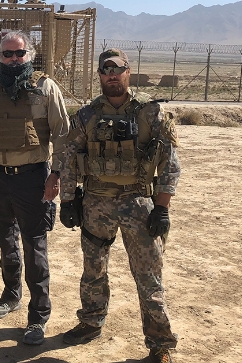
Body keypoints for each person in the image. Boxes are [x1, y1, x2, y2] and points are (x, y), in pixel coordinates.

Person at [59, 48, 180, 363]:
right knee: (93, 269)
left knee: (147, 273)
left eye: (118, 69)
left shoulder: (151, 113)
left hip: (137, 203)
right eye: (105, 69)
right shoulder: (86, 115)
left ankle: (160, 345)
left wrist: (162, 208)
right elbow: (69, 159)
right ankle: (90, 322)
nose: (111, 74)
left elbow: (170, 165)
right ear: (99, 75)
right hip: (96, 203)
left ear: (128, 72)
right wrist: (68, 200)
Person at [0, 30, 70, 345]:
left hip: (33, 177)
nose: (14, 60)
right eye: (7, 54)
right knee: (6, 242)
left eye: (19, 54)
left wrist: (56, 174)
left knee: (34, 245)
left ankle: (38, 317)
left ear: (29, 55)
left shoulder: (45, 88)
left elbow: (62, 134)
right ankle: (11, 294)